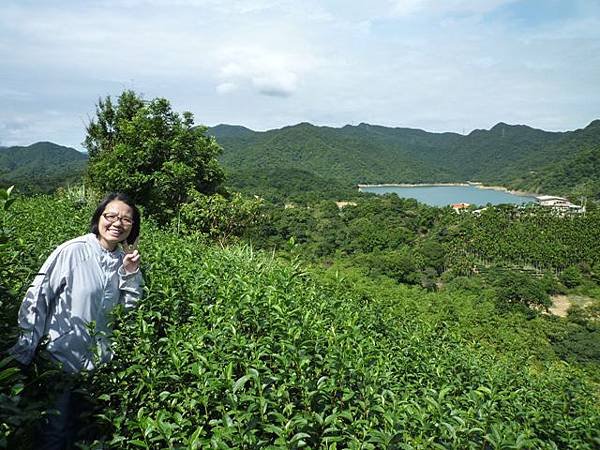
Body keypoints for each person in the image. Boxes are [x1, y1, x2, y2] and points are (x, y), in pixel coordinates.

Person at [9, 192, 143, 449]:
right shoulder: (72, 251)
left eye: (126, 219)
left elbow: (127, 310)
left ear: (133, 227)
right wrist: (25, 350)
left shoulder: (123, 261)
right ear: (99, 218)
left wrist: (130, 274)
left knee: (84, 433)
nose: (117, 223)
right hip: (60, 362)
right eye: (111, 216)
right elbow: (38, 298)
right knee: (53, 434)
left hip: (99, 367)